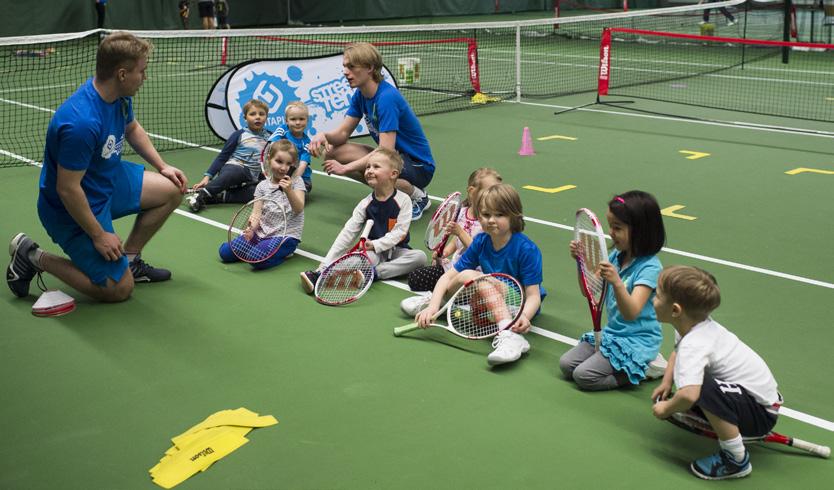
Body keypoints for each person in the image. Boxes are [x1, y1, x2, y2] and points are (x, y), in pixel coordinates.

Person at [6, 32, 187, 303]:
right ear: (122, 74)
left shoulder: (117, 96)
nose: (145, 78)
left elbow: (132, 127)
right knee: (118, 290)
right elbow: (67, 189)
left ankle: (130, 261)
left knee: (173, 189)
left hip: (107, 180)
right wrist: (99, 235)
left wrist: (162, 166)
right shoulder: (81, 123)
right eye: (142, 71)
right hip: (71, 207)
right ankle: (33, 256)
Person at [651, 266, 781, 480]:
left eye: (657, 295)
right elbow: (677, 352)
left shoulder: (695, 343)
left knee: (700, 387)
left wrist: (666, 408)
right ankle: (725, 420)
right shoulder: (693, 326)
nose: (653, 300)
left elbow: (689, 394)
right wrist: (666, 382)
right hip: (753, 399)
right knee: (693, 383)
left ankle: (735, 459)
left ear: (675, 310)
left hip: (760, 414)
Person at [415, 184, 544, 366]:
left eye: (499, 215)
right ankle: (439, 302)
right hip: (488, 294)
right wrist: (433, 306)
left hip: (517, 302)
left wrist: (524, 316)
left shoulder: (527, 249)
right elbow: (448, 276)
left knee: (473, 275)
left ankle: (509, 335)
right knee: (467, 275)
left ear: (514, 215)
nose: (491, 220)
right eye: (486, 214)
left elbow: (533, 296)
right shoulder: (481, 241)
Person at [307, 42, 435, 221]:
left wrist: (346, 168)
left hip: (418, 165)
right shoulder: (360, 95)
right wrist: (324, 136)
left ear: (369, 68)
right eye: (345, 66)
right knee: (333, 154)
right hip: (394, 157)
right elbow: (343, 134)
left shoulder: (386, 98)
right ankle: (388, 189)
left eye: (351, 67)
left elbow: (385, 152)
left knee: (376, 165)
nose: (345, 72)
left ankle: (416, 195)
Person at [559, 190, 667, 390]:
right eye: (610, 226)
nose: (610, 232)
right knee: (566, 365)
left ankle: (644, 370)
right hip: (612, 335)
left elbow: (631, 312)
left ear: (640, 231)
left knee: (584, 377)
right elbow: (589, 291)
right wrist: (580, 263)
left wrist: (617, 283)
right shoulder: (617, 256)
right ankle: (626, 366)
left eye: (617, 227)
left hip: (637, 342)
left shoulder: (650, 268)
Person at [300, 147, 426, 291]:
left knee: (419, 257)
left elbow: (400, 233)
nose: (369, 170)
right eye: (367, 167)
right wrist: (325, 264)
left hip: (397, 250)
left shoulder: (404, 200)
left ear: (393, 174)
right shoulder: (365, 204)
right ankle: (321, 275)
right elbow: (347, 233)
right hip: (372, 253)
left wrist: (375, 244)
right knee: (360, 260)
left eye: (376, 166)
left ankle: (373, 274)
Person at [400, 167, 502, 314]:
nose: (495, 196)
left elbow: (480, 252)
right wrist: (444, 253)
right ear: (472, 191)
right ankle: (451, 295)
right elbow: (455, 242)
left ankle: (444, 298)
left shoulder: (490, 221)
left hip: (478, 270)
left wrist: (460, 232)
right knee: (415, 278)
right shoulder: (462, 211)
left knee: (463, 284)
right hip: (456, 265)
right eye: (490, 191)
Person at [219, 140, 305, 270]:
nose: (283, 168)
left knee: (255, 259)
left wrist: (289, 191)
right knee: (225, 253)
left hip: (285, 236)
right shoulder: (262, 186)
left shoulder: (296, 182)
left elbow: (299, 208)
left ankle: (285, 252)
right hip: (261, 233)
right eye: (279, 161)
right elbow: (256, 213)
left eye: (289, 164)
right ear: (269, 159)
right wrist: (251, 229)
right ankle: (260, 246)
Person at [187, 99, 270, 212]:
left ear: (266, 117)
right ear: (245, 118)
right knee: (236, 172)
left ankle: (218, 197)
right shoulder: (239, 135)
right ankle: (201, 195)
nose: (258, 117)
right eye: (252, 114)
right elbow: (222, 157)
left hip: (252, 177)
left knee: (263, 193)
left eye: (261, 114)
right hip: (235, 168)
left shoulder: (270, 137)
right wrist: (207, 177)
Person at [266, 101, 313, 193]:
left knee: (303, 186)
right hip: (279, 172)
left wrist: (289, 181)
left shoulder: (307, 144)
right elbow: (272, 145)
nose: (298, 122)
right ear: (286, 121)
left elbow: (302, 167)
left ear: (307, 120)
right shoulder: (283, 129)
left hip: (300, 177)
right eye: (293, 119)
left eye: (301, 119)